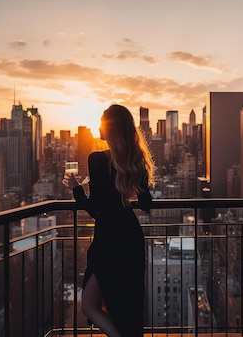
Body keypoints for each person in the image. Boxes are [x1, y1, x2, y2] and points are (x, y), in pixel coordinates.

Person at [64, 104, 155, 337]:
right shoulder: (135, 160)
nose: (97, 128)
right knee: (128, 306)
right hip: (131, 239)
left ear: (111, 129)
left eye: (102, 123)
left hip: (108, 242)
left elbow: (95, 210)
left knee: (89, 305)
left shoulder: (96, 159)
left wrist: (76, 190)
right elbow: (145, 202)